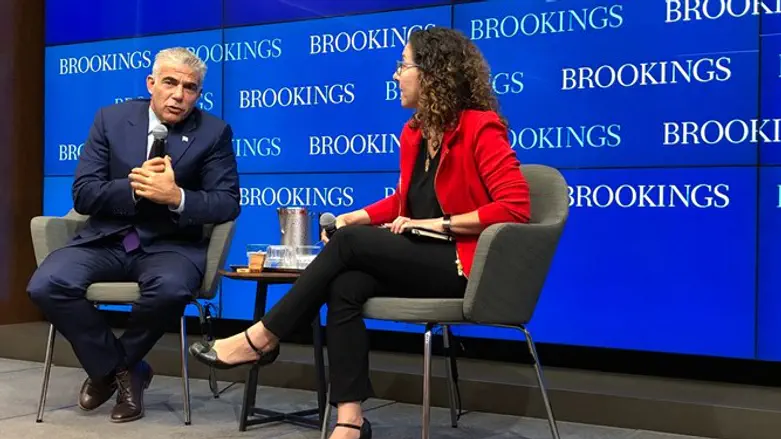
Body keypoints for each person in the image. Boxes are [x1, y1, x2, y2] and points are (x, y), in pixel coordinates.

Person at [190, 27, 531, 439]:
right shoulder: (415, 133)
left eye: (403, 66)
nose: (395, 75)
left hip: (463, 266)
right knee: (346, 284)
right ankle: (350, 420)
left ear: (434, 73)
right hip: (421, 257)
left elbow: (514, 207)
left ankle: (262, 335)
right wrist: (358, 216)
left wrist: (436, 224)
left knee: (348, 246)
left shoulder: (481, 127)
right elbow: (404, 200)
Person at [27, 47, 240, 423]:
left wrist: (176, 197)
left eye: (190, 88)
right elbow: (84, 193)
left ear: (198, 93)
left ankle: (110, 370)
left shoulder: (213, 132)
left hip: (170, 245)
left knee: (172, 289)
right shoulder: (111, 119)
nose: (179, 95)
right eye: (170, 83)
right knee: (46, 284)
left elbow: (226, 203)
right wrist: (134, 188)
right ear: (151, 83)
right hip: (107, 238)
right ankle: (124, 370)